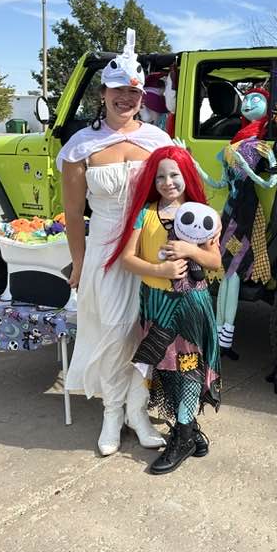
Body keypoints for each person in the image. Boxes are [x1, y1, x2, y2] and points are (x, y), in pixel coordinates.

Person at [57, 30, 173, 456]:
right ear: (103, 94)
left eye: (134, 92)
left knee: (148, 332)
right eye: (118, 90)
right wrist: (77, 261)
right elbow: (72, 213)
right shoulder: (81, 147)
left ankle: (138, 410)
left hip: (149, 247)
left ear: (143, 97)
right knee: (111, 332)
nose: (126, 98)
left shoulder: (159, 142)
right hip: (105, 248)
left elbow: (175, 197)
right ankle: (111, 412)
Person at [110, 146, 222, 475]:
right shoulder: (145, 215)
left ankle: (184, 434)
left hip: (190, 305)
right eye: (160, 176)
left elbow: (216, 262)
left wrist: (190, 250)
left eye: (174, 174)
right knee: (164, 368)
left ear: (186, 176)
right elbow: (128, 258)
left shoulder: (203, 214)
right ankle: (188, 427)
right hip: (156, 304)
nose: (167, 181)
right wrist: (160, 272)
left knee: (187, 367)